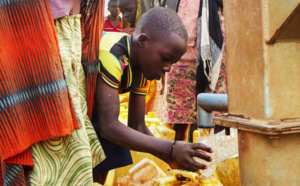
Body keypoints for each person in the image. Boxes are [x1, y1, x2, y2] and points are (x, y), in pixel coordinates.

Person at [94, 8, 213, 184]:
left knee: (116, 145)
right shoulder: (113, 53)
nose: (168, 69)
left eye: (172, 62)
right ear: (142, 41)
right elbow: (108, 127)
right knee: (108, 139)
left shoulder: (142, 66)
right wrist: (171, 148)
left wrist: (172, 159)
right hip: (72, 113)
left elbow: (137, 126)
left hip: (97, 120)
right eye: (165, 58)